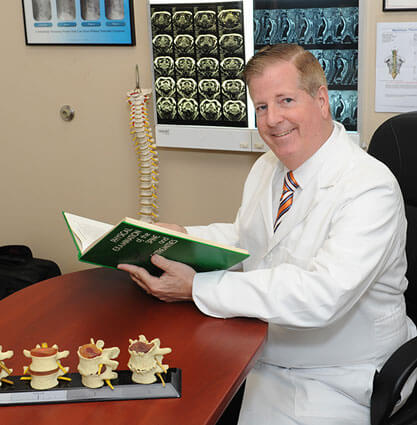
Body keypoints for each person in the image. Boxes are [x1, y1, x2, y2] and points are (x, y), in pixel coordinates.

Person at [118, 44, 416, 424]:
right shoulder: (267, 167)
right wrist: (182, 237)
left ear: (321, 100)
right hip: (262, 350)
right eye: (261, 106)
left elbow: (321, 295)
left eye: (285, 100)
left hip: (338, 376)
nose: (273, 119)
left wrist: (196, 288)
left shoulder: (369, 186)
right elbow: (250, 240)